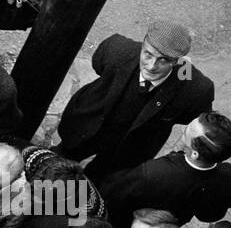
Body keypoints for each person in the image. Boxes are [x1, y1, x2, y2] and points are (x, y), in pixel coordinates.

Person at [56, 21, 216, 182]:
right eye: (148, 54)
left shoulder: (196, 89)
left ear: (176, 62)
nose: (152, 66)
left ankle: (82, 202)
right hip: (86, 128)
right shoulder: (116, 49)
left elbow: (194, 118)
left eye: (163, 60)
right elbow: (98, 64)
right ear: (142, 45)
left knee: (100, 182)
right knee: (57, 167)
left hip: (129, 151)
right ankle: (47, 202)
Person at [101, 112, 231, 228]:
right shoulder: (230, 175)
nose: (182, 133)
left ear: (195, 154)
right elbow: (209, 214)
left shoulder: (152, 173)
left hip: (116, 221)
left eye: (185, 133)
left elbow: (110, 196)